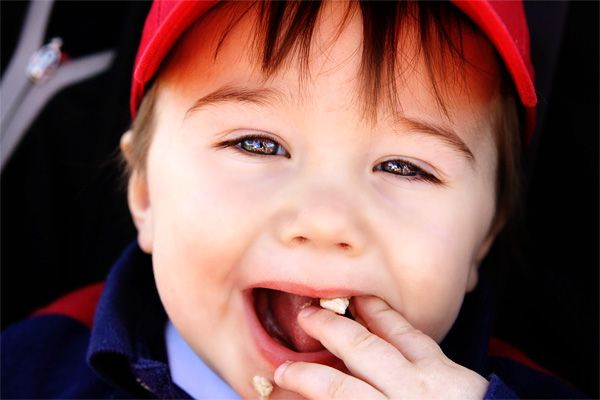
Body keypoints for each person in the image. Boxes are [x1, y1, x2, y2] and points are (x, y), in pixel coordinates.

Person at [0, 1, 586, 399]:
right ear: (147, 193)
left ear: (482, 238)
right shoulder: (28, 370)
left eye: (405, 167)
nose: (326, 220)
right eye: (257, 144)